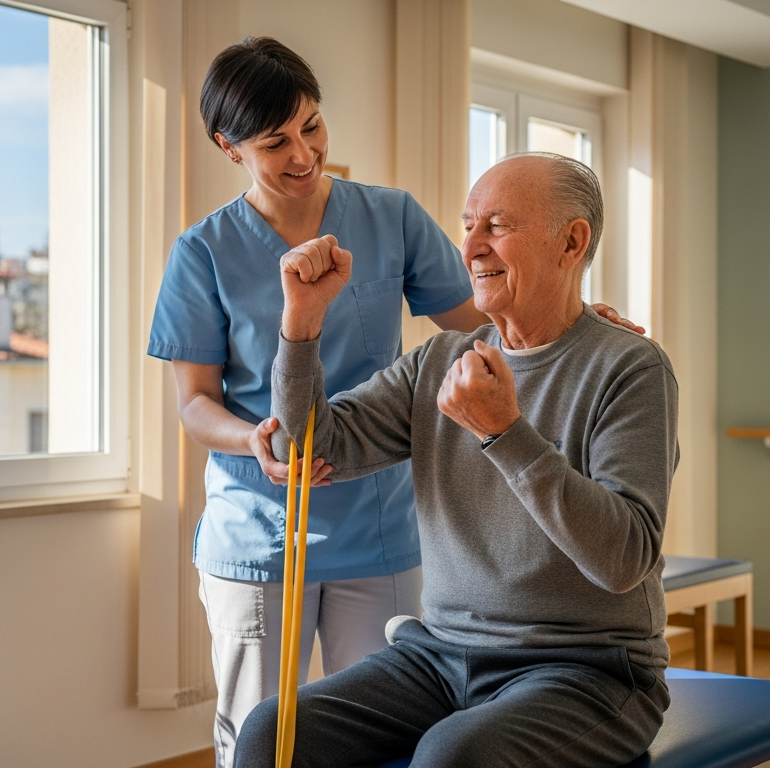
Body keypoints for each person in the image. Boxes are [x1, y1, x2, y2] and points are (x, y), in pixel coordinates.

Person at [146, 38, 641, 767]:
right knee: (260, 738)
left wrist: (573, 314)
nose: (304, 152)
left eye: (312, 126)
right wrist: (256, 439)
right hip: (262, 524)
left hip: (378, 523)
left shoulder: (390, 218)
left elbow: (485, 323)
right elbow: (193, 403)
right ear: (230, 147)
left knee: (380, 741)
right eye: (276, 141)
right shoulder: (204, 251)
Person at [235, 152, 678, 768]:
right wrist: (301, 325)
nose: (469, 245)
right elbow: (304, 448)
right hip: (439, 657)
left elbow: (623, 558)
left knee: (453, 757)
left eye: (496, 225)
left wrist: (506, 433)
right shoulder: (440, 361)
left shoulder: (631, 368)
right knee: (269, 732)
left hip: (587, 670)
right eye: (468, 224)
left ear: (571, 242)